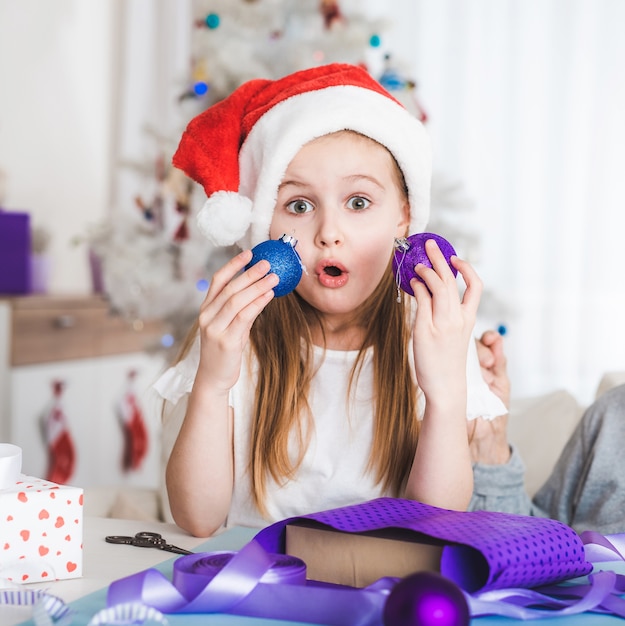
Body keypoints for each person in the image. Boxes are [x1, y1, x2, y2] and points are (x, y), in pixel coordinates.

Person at [154, 63, 507, 537]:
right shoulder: (236, 335)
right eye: (299, 205)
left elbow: (438, 521)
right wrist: (214, 382)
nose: (328, 234)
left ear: (404, 216)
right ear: (265, 223)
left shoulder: (433, 332)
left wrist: (444, 391)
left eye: (358, 202)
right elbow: (197, 519)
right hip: (257, 587)